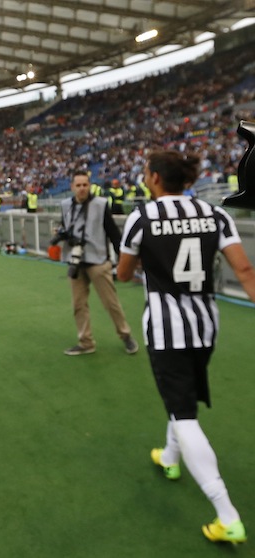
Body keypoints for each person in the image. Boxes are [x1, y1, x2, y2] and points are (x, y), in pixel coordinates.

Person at [117, 150, 255, 544]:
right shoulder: (216, 214)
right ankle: (171, 457)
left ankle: (226, 514)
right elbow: (244, 269)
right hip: (206, 325)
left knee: (183, 411)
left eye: (146, 172)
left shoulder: (141, 217)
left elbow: (124, 273)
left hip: (166, 328)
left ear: (157, 178)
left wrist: (152, 261)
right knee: (182, 398)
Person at [56, 170, 138, 356]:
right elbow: (65, 227)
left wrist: (123, 258)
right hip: (76, 262)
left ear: (90, 185)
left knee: (111, 303)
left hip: (98, 261)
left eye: (85, 184)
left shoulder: (101, 205)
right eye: (78, 185)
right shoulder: (65, 205)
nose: (82, 188)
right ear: (72, 187)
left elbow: (113, 233)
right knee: (78, 305)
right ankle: (85, 342)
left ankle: (126, 336)